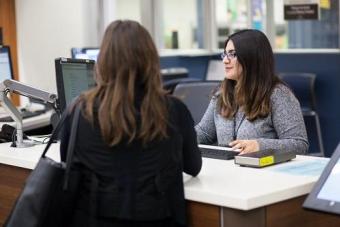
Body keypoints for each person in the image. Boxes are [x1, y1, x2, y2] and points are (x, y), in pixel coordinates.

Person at [60, 20, 202, 227]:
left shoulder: (79, 111)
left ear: (103, 61)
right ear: (150, 60)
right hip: (158, 218)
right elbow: (193, 166)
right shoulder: (173, 110)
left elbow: (68, 165)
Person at [195, 29, 308, 155]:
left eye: (232, 54)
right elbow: (204, 133)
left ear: (251, 58)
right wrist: (177, 138)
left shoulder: (278, 95)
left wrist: (259, 145)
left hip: (264, 172)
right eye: (225, 54)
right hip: (229, 171)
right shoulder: (222, 93)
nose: (225, 60)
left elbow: (299, 144)